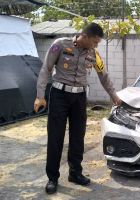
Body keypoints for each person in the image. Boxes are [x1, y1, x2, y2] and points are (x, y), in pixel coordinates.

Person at [34, 22, 122, 194]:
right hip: (59, 95)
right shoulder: (60, 45)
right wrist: (40, 95)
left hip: (80, 98)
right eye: (95, 42)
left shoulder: (93, 54)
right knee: (55, 137)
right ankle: (52, 178)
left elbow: (104, 76)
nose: (96, 46)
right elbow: (46, 69)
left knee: (77, 137)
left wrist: (114, 96)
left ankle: (75, 173)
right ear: (86, 36)